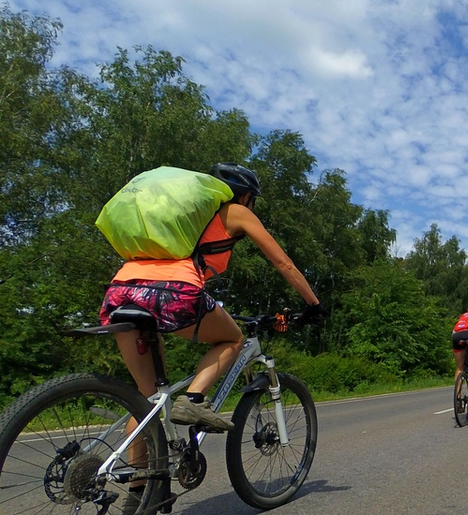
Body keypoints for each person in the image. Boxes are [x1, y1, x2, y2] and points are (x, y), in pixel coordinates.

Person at [100, 162, 325, 432]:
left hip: (121, 290)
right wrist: (314, 305)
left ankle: (137, 475)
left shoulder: (185, 223)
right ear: (245, 196)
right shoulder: (235, 211)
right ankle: (194, 399)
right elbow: (283, 263)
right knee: (234, 338)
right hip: (173, 291)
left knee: (145, 400)